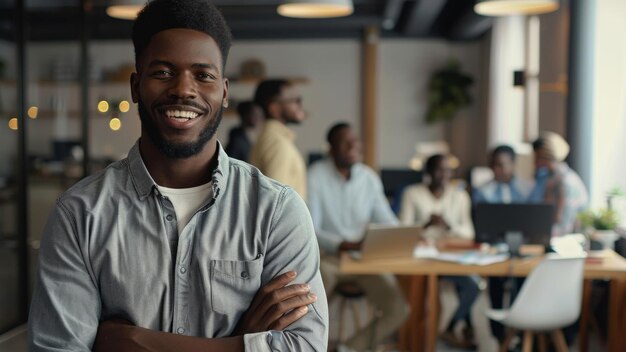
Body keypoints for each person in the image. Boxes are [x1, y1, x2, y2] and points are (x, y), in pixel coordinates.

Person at [28, 1, 328, 351]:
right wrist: (243, 342)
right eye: (164, 72)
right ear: (136, 86)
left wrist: (137, 341)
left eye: (203, 75)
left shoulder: (277, 211)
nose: (184, 89)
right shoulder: (80, 213)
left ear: (225, 92)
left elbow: (304, 346)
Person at [307, 123, 410, 351]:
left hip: (363, 259)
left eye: (356, 141)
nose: (354, 146)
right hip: (328, 259)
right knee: (308, 306)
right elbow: (310, 228)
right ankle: (309, 346)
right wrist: (342, 244)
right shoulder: (315, 176)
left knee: (398, 309)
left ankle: (349, 348)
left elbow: (386, 219)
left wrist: (407, 234)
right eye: (346, 142)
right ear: (331, 149)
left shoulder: (368, 178)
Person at [399, 154, 479, 349]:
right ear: (428, 173)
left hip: (450, 257)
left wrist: (448, 226)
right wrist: (425, 225)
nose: (443, 175)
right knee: (421, 300)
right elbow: (402, 230)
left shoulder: (460, 196)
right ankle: (415, 336)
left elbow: (469, 233)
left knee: (472, 286)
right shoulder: (412, 193)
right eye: (438, 170)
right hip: (421, 259)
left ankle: (451, 328)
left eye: (447, 170)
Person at [473, 145, 530, 344]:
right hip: (494, 250)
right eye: (494, 165)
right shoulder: (483, 192)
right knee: (495, 292)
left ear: (513, 164)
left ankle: (519, 335)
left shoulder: (527, 189)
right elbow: (481, 226)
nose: (498, 170)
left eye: (502, 165)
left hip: (523, 250)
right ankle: (499, 337)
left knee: (523, 288)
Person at [249, 79, 307, 199]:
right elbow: (276, 200)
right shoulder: (277, 143)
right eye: (295, 100)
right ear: (274, 108)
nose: (300, 105)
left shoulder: (274, 138)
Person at [528, 131, 589, 236]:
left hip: (567, 242)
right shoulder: (547, 178)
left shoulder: (566, 182)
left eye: (538, 157)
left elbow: (563, 224)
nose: (535, 162)